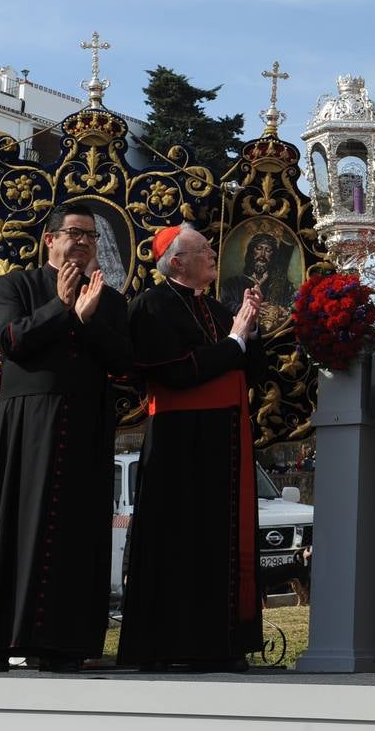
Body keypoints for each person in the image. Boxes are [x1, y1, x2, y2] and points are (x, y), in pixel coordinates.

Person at [0, 203, 132, 672]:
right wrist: (65, 310)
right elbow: (12, 340)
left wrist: (88, 318)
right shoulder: (17, 285)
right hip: (27, 424)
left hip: (86, 425)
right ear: (50, 239)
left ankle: (62, 643)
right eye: (75, 233)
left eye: (92, 236)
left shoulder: (109, 299)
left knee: (75, 532)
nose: (84, 242)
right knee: (13, 525)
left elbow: (123, 360)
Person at [116, 223, 266, 671]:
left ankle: (221, 644)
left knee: (220, 540)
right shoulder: (151, 305)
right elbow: (177, 372)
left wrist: (249, 331)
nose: (213, 254)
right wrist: (235, 340)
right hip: (180, 442)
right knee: (178, 539)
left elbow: (248, 371)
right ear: (177, 261)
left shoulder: (218, 310)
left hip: (224, 439)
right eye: (203, 249)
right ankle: (168, 645)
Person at [220, 230, 295, 332]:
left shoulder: (285, 286)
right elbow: (224, 306)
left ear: (273, 255)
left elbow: (292, 308)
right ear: (251, 252)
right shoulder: (232, 284)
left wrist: (283, 311)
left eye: (268, 250)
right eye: (258, 249)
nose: (262, 255)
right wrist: (247, 308)